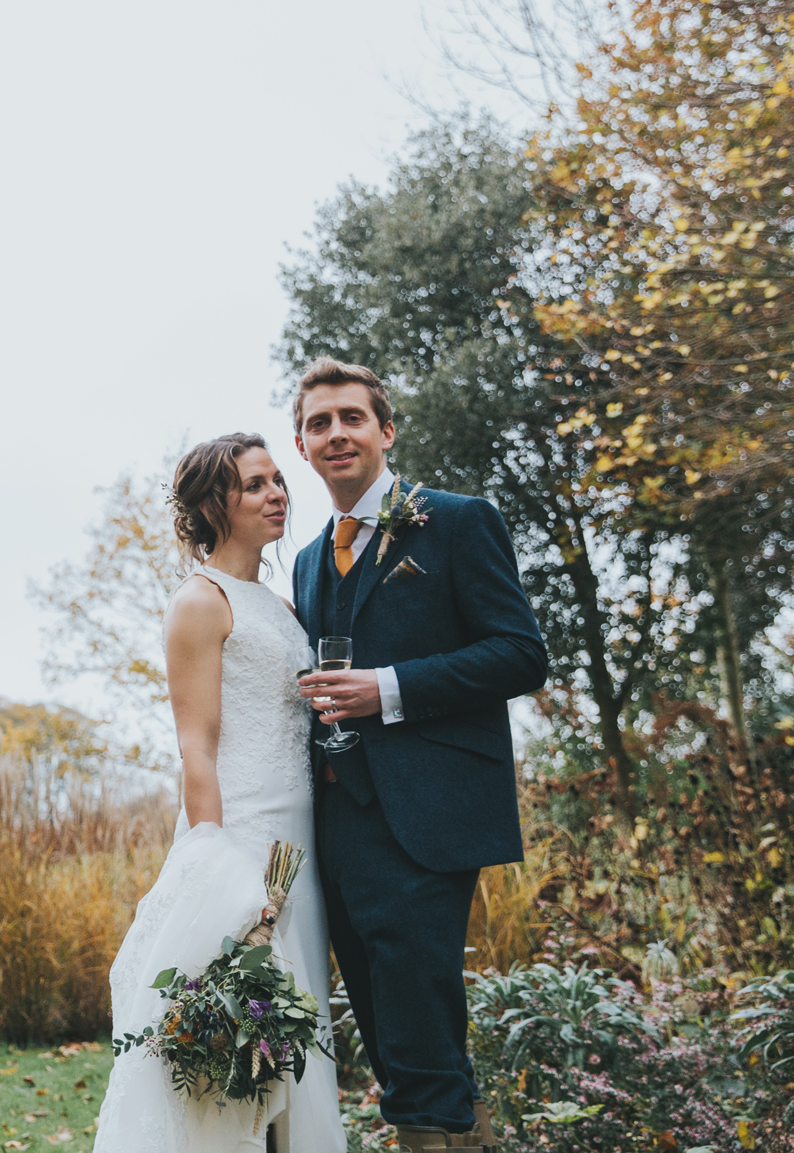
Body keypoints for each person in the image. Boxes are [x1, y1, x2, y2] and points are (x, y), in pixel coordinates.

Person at [289, 359, 546, 1152]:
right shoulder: (304, 559)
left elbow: (520, 654)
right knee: (379, 1019)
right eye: (319, 423)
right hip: (336, 819)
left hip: (426, 818)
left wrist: (387, 688)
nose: (336, 433)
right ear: (302, 446)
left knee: (421, 1025)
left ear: (386, 430)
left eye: (352, 418)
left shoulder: (458, 522)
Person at [95, 433, 345, 1153]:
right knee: (234, 1051)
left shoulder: (280, 603)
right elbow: (196, 746)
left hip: (299, 844)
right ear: (214, 504)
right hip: (240, 841)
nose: (278, 493)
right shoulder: (199, 602)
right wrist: (218, 871)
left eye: (277, 480)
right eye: (255, 484)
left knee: (293, 1040)